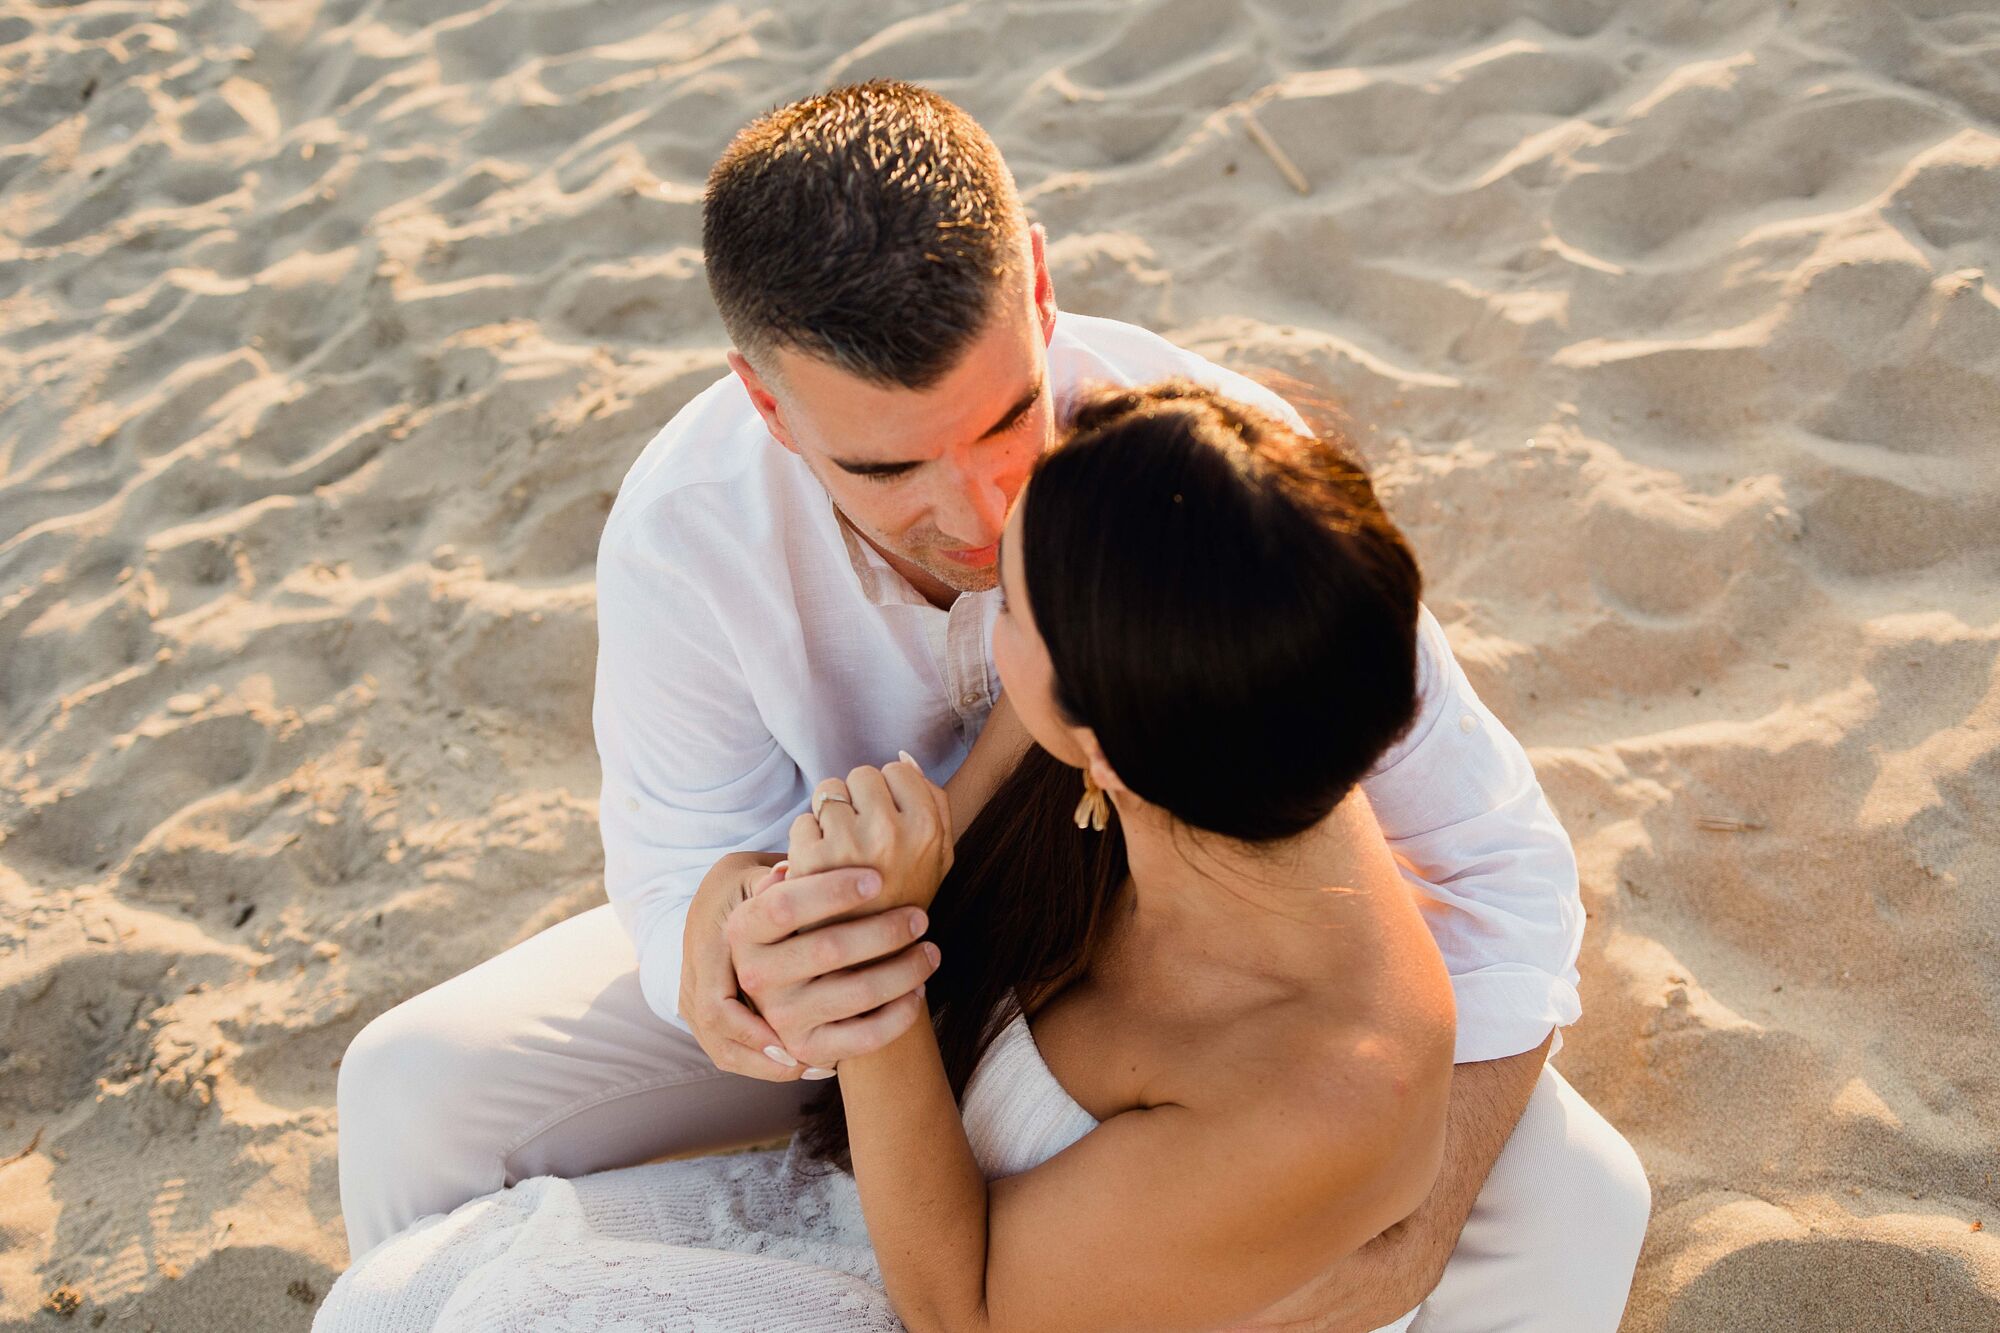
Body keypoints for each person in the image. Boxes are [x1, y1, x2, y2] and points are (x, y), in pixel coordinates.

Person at [333, 80, 1649, 1329]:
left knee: (1571, 1197)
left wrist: (1422, 1218)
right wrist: (733, 946)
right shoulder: (690, 531)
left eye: (1009, 416)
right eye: (890, 464)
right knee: (409, 1089)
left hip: (1182, 963)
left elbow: (1498, 864)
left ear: (1038, 280)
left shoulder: (1201, 468)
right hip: (882, 940)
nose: (984, 513)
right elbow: (677, 862)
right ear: (768, 403)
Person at [316, 378, 1456, 1331]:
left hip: (950, 1290)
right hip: (888, 1193)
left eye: (1007, 601)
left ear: (1101, 739)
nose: (980, 598)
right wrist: (756, 895)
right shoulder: (1216, 696)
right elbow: (937, 832)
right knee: (401, 1301)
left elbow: (960, 1308)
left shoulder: (1313, 1086)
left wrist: (877, 968)